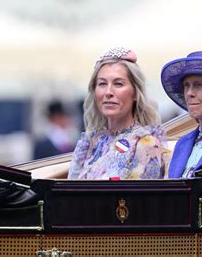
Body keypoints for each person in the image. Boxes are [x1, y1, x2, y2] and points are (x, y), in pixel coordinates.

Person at [68, 47, 167, 180]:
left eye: (118, 84)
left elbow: (146, 199)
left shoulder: (146, 144)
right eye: (102, 84)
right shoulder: (89, 142)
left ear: (135, 93)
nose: (108, 92)